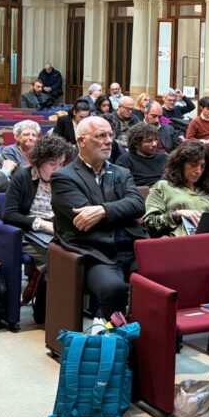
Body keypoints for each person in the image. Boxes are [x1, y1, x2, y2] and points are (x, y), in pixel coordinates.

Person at [50, 116, 147, 320]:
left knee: (160, 278)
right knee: (113, 288)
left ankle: (151, 334)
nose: (109, 140)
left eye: (111, 135)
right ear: (81, 141)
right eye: (101, 135)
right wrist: (123, 212)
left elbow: (138, 205)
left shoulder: (121, 172)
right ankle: (116, 336)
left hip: (131, 247)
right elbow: (84, 218)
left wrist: (103, 210)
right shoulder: (64, 177)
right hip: (95, 252)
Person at [2, 135, 74, 322]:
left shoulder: (66, 178)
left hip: (60, 229)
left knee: (76, 256)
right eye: (52, 164)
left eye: (61, 163)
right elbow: (9, 215)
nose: (58, 169)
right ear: (39, 161)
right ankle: (46, 310)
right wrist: (41, 224)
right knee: (58, 259)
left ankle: (64, 308)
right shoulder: (23, 177)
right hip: (29, 231)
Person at [143, 141, 209, 264]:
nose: (198, 170)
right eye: (193, 165)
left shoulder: (207, 189)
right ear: (180, 164)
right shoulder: (162, 186)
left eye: (202, 166)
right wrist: (178, 214)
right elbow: (150, 223)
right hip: (182, 242)